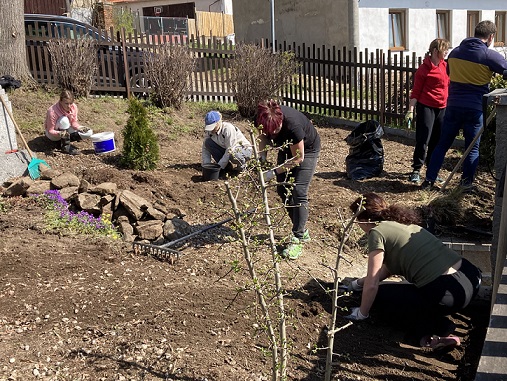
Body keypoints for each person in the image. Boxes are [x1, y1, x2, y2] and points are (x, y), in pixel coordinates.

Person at [344, 193, 482, 350]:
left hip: (449, 292)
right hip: (470, 278)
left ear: (364, 218)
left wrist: (362, 313)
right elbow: (389, 269)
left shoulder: (376, 232)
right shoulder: (405, 225)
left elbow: (373, 283)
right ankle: (440, 327)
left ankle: (436, 332)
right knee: (410, 293)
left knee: (381, 297)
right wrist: (356, 284)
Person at [422, 21, 507, 190]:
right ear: (491, 37)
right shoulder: (488, 55)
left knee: (442, 145)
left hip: (453, 106)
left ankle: (429, 181)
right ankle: (466, 184)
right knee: (472, 148)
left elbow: (449, 73)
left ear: (474, 33)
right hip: (474, 109)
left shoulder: (454, 53)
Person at [256, 100, 321, 260]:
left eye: (276, 130)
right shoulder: (262, 118)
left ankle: (297, 238)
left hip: (307, 150)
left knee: (298, 190)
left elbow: (298, 158)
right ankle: (301, 229)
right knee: (282, 188)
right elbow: (262, 136)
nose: (273, 134)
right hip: (285, 147)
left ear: (280, 122)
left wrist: (272, 172)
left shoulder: (293, 126)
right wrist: (262, 156)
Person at [405, 38, 450, 184]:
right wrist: (411, 110)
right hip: (426, 107)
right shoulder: (423, 70)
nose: (447, 52)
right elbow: (416, 91)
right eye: (445, 50)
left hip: (442, 108)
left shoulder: (445, 66)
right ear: (436, 51)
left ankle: (432, 171)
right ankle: (416, 170)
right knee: (423, 139)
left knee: (436, 141)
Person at [44, 89, 93, 155]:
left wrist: (79, 128)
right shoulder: (52, 111)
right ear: (60, 101)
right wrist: (60, 133)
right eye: (66, 103)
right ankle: (65, 146)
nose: (69, 106)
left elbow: (73, 123)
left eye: (71, 103)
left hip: (66, 130)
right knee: (64, 120)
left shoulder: (74, 107)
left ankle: (63, 142)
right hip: (53, 135)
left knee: (89, 132)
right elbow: (50, 130)